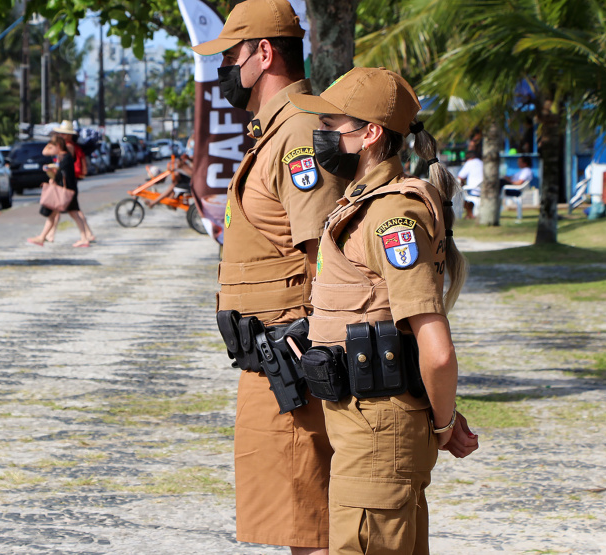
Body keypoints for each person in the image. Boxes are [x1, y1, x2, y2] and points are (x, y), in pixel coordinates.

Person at [287, 66, 480, 554]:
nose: (321, 138)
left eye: (331, 127)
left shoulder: (391, 217)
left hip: (378, 436)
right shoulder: (363, 206)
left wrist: (440, 425)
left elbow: (436, 351)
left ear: (369, 133)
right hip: (366, 431)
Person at [192, 0, 346, 552]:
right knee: (293, 520)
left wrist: (318, 351)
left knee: (311, 525)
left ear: (263, 53)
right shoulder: (273, 131)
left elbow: (325, 253)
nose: (224, 70)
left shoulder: (300, 131)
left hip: (296, 358)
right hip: (270, 357)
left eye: (230, 55)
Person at [26, 136, 94, 248]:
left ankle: (84, 238)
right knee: (57, 215)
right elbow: (47, 154)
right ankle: (42, 237)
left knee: (73, 214)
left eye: (52, 147)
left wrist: (54, 180)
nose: (50, 149)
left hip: (67, 192)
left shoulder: (66, 158)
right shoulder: (64, 157)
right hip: (69, 190)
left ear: (58, 146)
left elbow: (64, 176)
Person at [46, 121, 95, 243]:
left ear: (69, 135)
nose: (61, 136)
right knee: (64, 211)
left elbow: (61, 163)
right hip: (68, 182)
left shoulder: (68, 147)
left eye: (63, 134)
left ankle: (86, 235)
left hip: (67, 183)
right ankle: (50, 235)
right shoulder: (70, 146)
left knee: (72, 211)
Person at [457, 150, 484, 219]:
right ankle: (469, 214)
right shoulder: (482, 163)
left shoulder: (470, 163)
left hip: (474, 190)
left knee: (461, 195)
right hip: (484, 189)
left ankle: (470, 214)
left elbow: (460, 177)